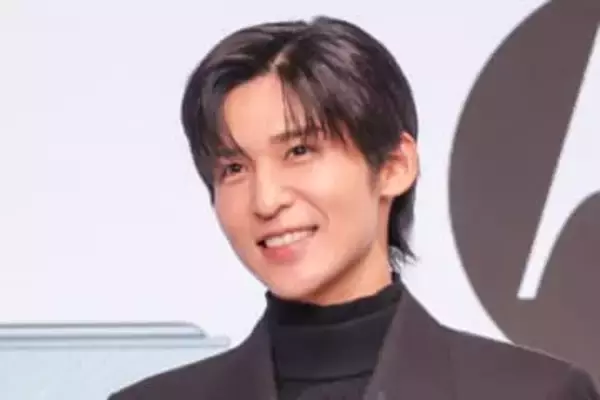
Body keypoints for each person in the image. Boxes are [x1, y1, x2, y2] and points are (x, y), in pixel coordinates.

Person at [109, 16, 599, 400]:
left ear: (394, 166)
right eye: (234, 168)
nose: (266, 200)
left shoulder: (535, 393)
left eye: (299, 151)